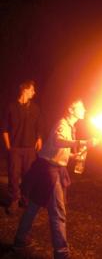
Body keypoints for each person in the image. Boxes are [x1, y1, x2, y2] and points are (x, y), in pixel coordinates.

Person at [13, 99, 98, 259]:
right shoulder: (63, 124)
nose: (85, 109)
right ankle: (62, 254)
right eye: (81, 107)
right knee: (58, 213)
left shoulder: (70, 126)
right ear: (71, 110)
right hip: (49, 172)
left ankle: (19, 241)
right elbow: (58, 141)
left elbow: (58, 149)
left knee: (33, 206)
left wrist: (73, 155)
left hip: (49, 168)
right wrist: (83, 142)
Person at [1, 80, 43, 213]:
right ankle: (14, 199)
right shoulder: (11, 107)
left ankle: (25, 199)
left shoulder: (35, 108)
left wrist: (39, 138)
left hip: (30, 148)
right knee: (13, 175)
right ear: (24, 90)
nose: (34, 92)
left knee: (28, 175)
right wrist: (9, 147)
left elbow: (39, 126)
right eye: (32, 90)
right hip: (15, 148)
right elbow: (4, 128)